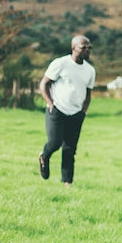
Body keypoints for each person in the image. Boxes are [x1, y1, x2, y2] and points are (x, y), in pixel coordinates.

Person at [37, 35, 96, 186]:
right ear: (73, 48)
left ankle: (67, 182)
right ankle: (45, 156)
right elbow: (44, 84)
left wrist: (83, 111)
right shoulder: (60, 63)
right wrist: (50, 104)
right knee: (55, 142)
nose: (87, 50)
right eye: (84, 47)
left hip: (76, 114)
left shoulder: (90, 70)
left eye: (89, 47)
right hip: (57, 110)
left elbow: (88, 93)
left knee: (70, 149)